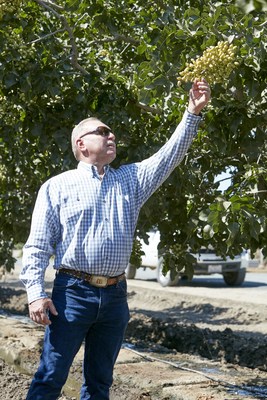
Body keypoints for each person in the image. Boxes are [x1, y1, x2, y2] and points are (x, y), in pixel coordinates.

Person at [20, 78, 211, 400]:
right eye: (103, 132)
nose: (112, 136)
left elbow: (169, 155)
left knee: (100, 382)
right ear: (81, 144)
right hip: (71, 295)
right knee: (51, 375)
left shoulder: (130, 180)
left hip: (114, 296)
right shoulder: (57, 186)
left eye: (111, 133)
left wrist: (192, 113)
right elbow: (37, 245)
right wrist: (36, 295)